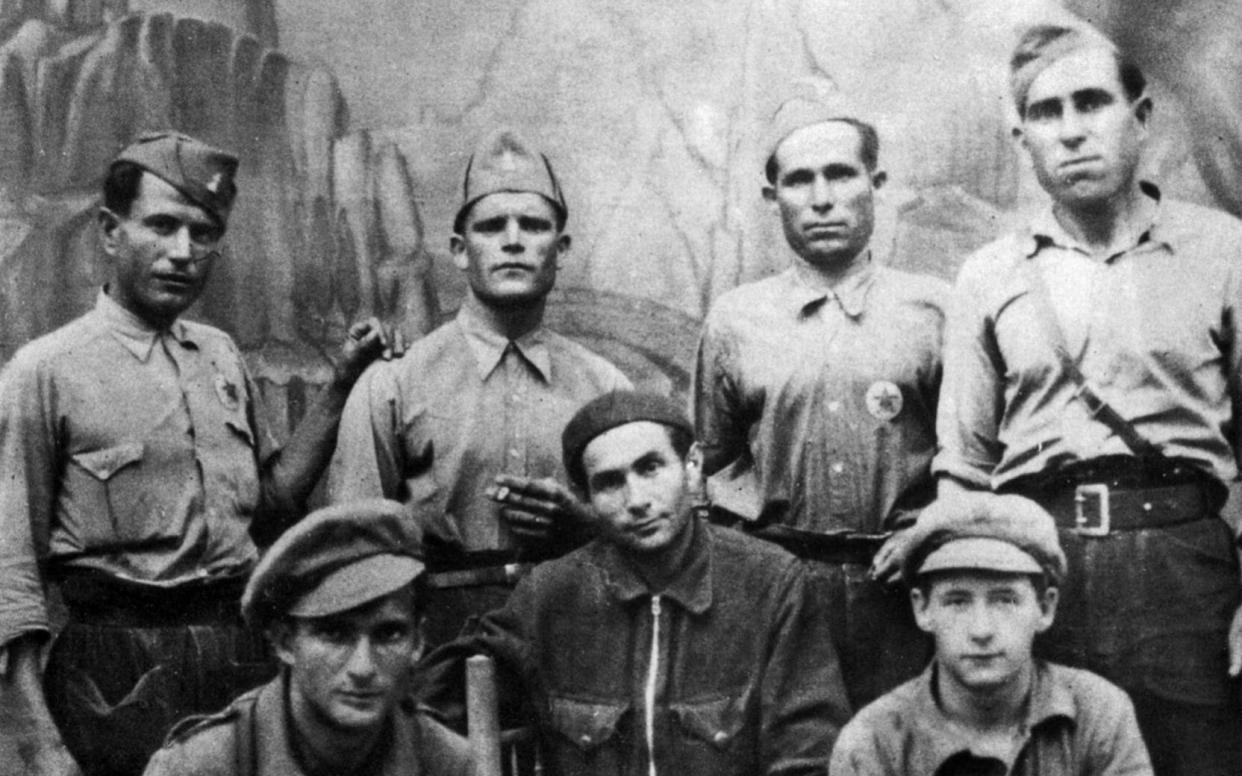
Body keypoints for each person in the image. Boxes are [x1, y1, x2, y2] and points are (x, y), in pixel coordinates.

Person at [0, 131, 399, 776]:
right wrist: (41, 747)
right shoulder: (44, 371)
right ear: (110, 230)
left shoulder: (219, 355)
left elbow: (268, 506)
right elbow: (8, 574)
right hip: (113, 674)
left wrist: (344, 383)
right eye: (161, 226)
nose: (183, 252)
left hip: (237, 656)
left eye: (203, 232)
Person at [920, 23, 1242, 775]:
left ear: (1142, 116)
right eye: (1045, 113)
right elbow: (963, 469)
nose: (1070, 132)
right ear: (1022, 137)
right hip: (1037, 571)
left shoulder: (1224, 251)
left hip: (1183, 571)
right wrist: (973, 605)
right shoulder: (990, 274)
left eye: (1091, 103)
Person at [417, 390, 850, 776]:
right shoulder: (550, 595)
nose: (637, 500)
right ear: (585, 497)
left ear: (693, 466)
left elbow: (806, 755)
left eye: (651, 468)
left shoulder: (770, 584)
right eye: (609, 482)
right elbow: (429, 698)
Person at [328, 128, 630, 644]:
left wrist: (586, 524)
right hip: (437, 642)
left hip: (581, 635)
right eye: (492, 226)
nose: (513, 239)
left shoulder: (606, 389)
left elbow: (653, 531)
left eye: (533, 226)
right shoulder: (395, 383)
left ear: (561, 249)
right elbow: (349, 547)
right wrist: (409, 530)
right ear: (460, 250)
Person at [694, 97, 945, 707]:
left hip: (908, 593)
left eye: (841, 174)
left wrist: (929, 536)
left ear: (876, 184)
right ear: (771, 196)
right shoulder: (735, 320)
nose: (822, 197)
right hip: (780, 597)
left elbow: (972, 460)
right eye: (799, 180)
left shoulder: (936, 310)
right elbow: (713, 466)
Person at [144, 499, 472, 776]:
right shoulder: (201, 767)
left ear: (417, 643)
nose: (363, 667)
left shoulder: (451, 764)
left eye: (389, 634)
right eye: (334, 634)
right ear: (285, 642)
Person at [831, 493, 1152, 775]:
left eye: (1005, 600)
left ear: (1045, 607)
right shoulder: (873, 742)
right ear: (922, 608)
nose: (981, 630)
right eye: (957, 602)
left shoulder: (1097, 715)